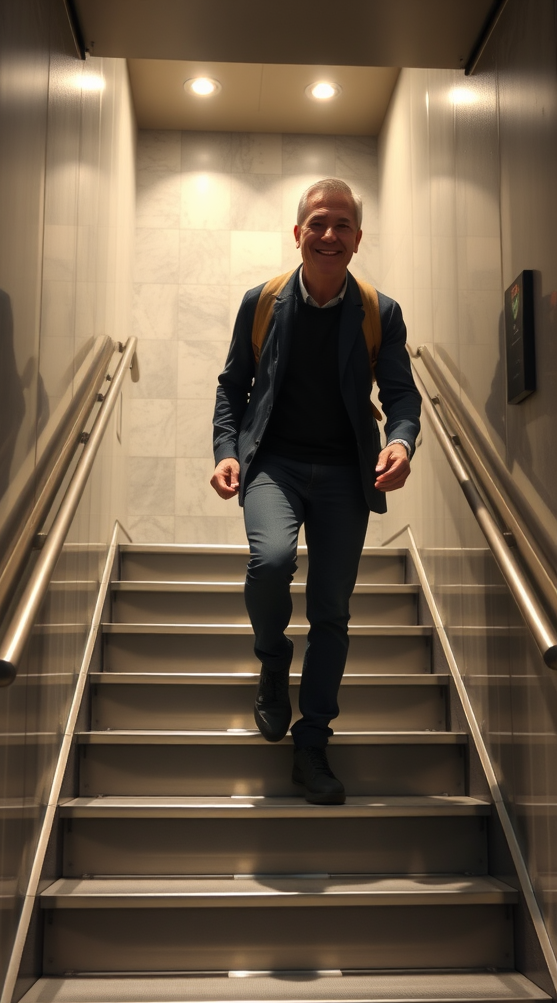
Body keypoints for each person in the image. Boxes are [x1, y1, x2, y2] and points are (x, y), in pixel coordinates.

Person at [211, 178, 421, 805]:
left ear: (358, 239)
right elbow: (232, 388)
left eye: (343, 225)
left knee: (331, 610)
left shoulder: (379, 311)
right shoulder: (264, 301)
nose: (330, 235)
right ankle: (273, 661)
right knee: (271, 561)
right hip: (272, 462)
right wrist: (226, 452)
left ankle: (313, 742)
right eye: (318, 224)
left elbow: (402, 394)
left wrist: (402, 442)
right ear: (298, 233)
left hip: (343, 475)